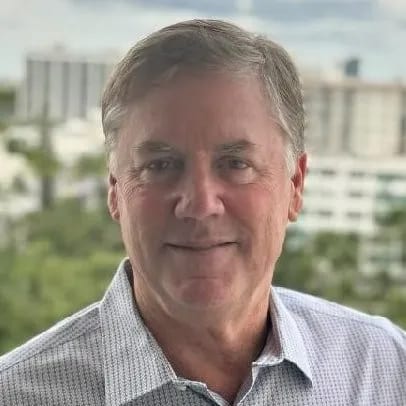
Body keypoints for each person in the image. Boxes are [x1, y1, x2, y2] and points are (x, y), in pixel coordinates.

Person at [0, 19, 405, 406]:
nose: (199, 204)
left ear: (295, 185)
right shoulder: (15, 395)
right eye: (160, 165)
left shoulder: (385, 369)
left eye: (235, 163)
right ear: (115, 191)